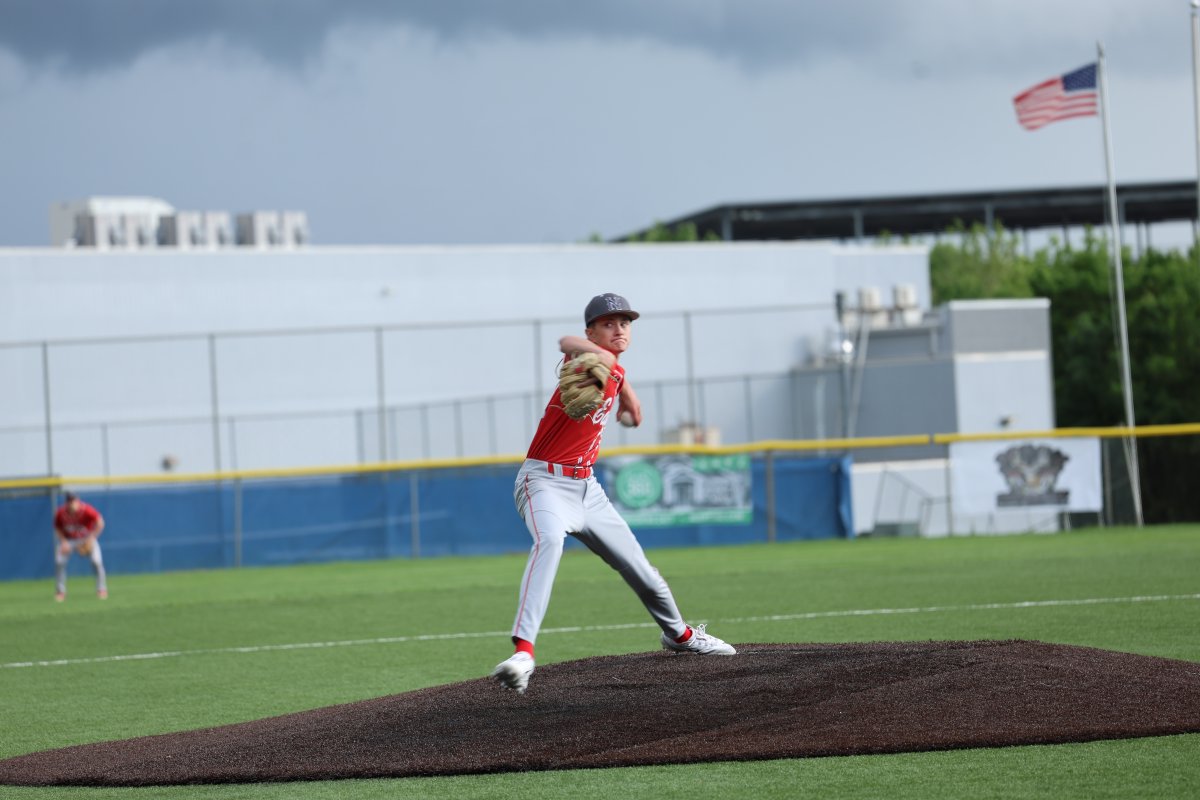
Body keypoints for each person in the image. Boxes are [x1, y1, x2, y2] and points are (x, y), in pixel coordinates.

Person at [492, 292, 735, 694]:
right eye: (608, 323)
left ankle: (680, 635)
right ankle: (523, 653)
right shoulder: (583, 362)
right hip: (544, 483)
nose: (619, 329)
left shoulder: (614, 370)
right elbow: (566, 342)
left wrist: (629, 398)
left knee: (642, 571)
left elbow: (618, 374)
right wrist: (602, 363)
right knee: (549, 543)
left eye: (624, 323)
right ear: (592, 332)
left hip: (588, 490)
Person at [53, 491, 108, 601]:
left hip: (86, 539)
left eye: (73, 500)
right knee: (59, 562)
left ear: (77, 501)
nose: (71, 503)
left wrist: (92, 538)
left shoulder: (87, 510)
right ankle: (60, 591)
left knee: (96, 561)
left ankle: (101, 589)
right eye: (69, 501)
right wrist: (63, 541)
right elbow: (57, 528)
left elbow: (100, 522)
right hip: (69, 540)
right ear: (66, 502)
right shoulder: (61, 512)